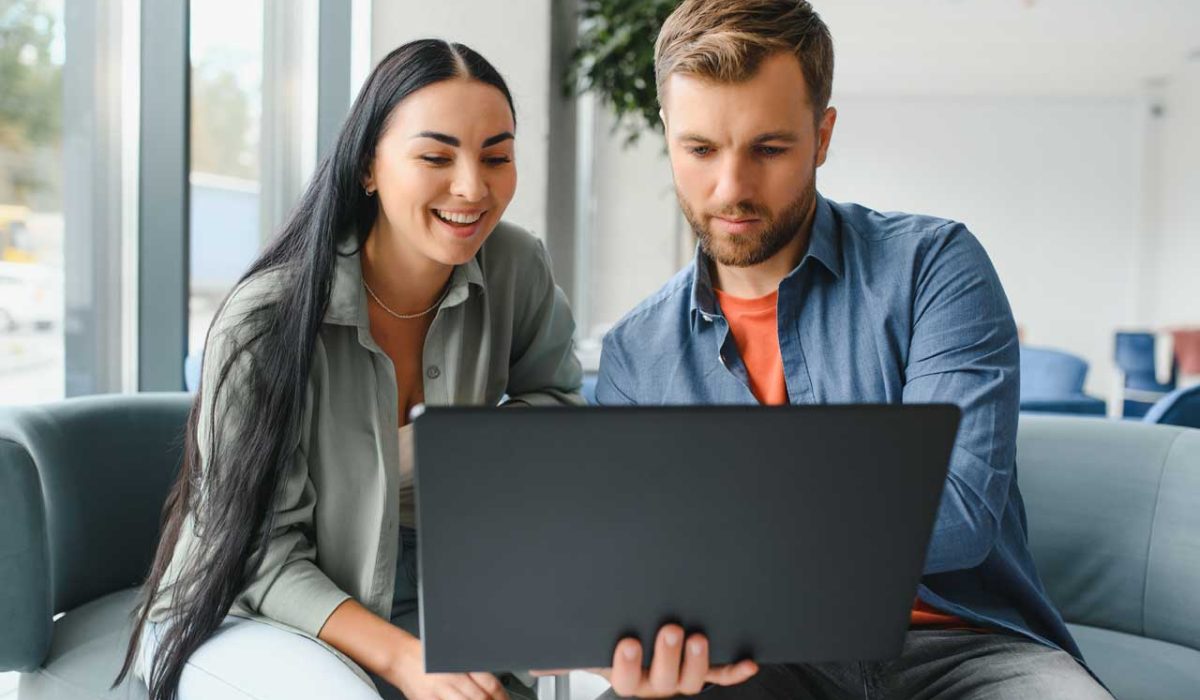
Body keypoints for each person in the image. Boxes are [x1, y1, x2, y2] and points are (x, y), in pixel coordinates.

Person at [587, 1, 1111, 697]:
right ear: (668, 137)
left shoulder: (934, 266)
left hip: (959, 647)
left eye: (769, 149)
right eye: (701, 149)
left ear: (822, 134)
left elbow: (956, 512)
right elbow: (637, 558)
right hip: (752, 657)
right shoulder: (635, 353)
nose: (732, 188)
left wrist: (717, 540)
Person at [118, 39, 582, 700]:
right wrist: (405, 660)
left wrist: (481, 455)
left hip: (431, 577)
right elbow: (260, 554)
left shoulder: (515, 266)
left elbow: (560, 399)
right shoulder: (264, 322)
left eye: (497, 156)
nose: (473, 187)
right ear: (369, 166)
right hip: (246, 602)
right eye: (435, 156)